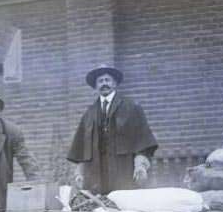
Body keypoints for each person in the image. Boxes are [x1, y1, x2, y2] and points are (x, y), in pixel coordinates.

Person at [67, 64, 158, 194]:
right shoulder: (88, 114)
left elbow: (143, 141)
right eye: (100, 81)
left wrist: (140, 165)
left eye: (107, 80)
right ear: (96, 86)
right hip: (96, 176)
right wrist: (79, 173)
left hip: (123, 172)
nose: (104, 84)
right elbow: (81, 150)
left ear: (114, 83)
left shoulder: (131, 108)